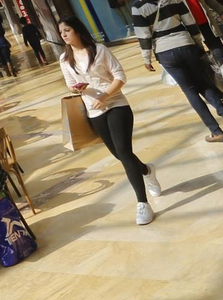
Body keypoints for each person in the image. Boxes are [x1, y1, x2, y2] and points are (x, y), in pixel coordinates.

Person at [58, 16, 157, 225]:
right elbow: (69, 83)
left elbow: (120, 76)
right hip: (94, 111)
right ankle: (146, 170)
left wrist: (105, 96)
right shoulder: (65, 59)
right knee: (118, 154)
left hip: (116, 105)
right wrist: (79, 87)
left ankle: (142, 204)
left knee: (123, 151)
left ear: (77, 30)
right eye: (61, 32)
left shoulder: (99, 49)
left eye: (67, 30)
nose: (64, 35)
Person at [129, 0, 223, 142]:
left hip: (165, 52)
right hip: (186, 43)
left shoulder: (137, 7)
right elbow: (189, 21)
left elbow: (144, 36)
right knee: (203, 82)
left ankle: (216, 131)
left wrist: (146, 59)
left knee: (190, 91)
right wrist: (196, 43)